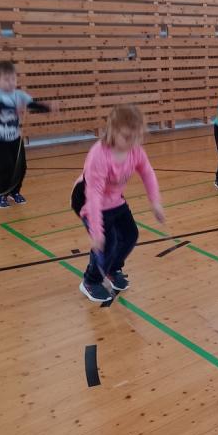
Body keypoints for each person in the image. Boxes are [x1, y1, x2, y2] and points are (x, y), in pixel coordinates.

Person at [75, 104, 165, 303]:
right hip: (89, 200)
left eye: (137, 137)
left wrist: (155, 201)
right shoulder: (99, 155)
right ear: (112, 132)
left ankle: (112, 268)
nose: (133, 142)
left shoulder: (135, 151)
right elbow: (94, 196)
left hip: (115, 199)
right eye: (127, 137)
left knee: (130, 235)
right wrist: (96, 233)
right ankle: (90, 281)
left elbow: (147, 173)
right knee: (107, 242)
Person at [0, 61, 54, 208]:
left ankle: (14, 191)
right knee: (6, 165)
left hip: (14, 137)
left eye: (13, 79)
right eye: (6, 80)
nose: (10, 83)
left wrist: (47, 107)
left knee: (20, 166)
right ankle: (1, 193)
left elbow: (32, 105)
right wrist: (16, 108)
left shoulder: (20, 94)